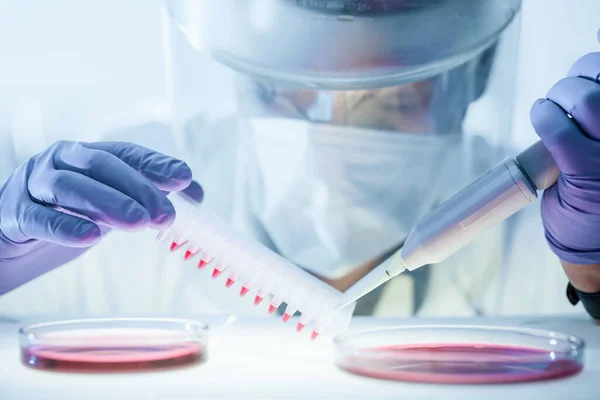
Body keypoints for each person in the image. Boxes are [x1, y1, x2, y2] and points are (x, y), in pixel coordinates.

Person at [0, 1, 599, 321]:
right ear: (242, 75)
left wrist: (595, 281)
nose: (336, 133)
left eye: (394, 99)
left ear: (468, 81)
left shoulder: (555, 228)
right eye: (292, 92)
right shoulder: (125, 216)